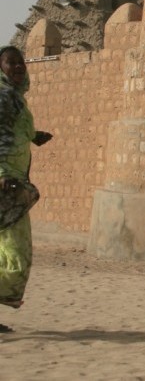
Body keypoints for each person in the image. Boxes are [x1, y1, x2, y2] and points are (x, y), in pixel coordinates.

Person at [0, 45, 52, 332]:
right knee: (16, 254)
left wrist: (34, 136)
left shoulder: (15, 99)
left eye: (21, 63)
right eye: (11, 63)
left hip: (13, 180)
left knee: (7, 251)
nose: (19, 67)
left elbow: (11, 131)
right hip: (5, 183)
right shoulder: (4, 97)